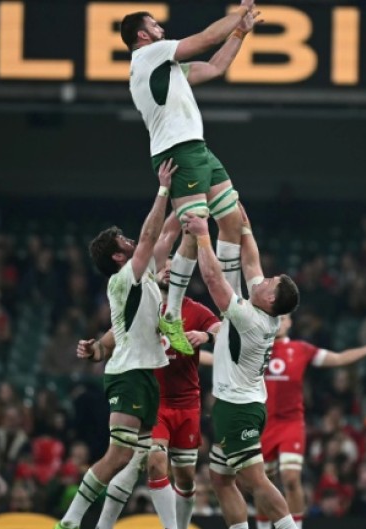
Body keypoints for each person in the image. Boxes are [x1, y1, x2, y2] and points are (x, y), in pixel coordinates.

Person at [121, 4, 262, 355]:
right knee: (194, 228)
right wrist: (238, 13)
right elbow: (203, 41)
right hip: (177, 151)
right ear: (142, 35)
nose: (160, 27)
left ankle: (232, 305)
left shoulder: (164, 67)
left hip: (197, 149)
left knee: (232, 220)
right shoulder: (148, 55)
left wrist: (240, 32)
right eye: (154, 24)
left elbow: (215, 66)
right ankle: (171, 312)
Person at [54, 160, 179, 529]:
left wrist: (188, 197)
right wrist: (163, 190)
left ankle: (101, 525)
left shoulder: (141, 280)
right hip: (129, 374)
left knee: (139, 457)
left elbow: (166, 232)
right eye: (124, 240)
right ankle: (71, 519)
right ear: (118, 257)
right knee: (119, 454)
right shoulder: (124, 277)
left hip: (143, 370)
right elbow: (150, 236)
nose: (132, 240)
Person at [182, 205, 300, 529]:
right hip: (240, 405)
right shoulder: (266, 310)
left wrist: (204, 235)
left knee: (255, 481)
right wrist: (245, 229)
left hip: (239, 408)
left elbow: (212, 278)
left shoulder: (250, 318)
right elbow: (251, 262)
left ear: (271, 300)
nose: (263, 281)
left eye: (270, 283)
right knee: (220, 479)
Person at [86, 258, 221, 529]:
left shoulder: (196, 311)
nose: (170, 271)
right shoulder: (144, 308)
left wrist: (207, 337)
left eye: (176, 267)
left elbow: (223, 331)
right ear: (155, 273)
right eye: (164, 267)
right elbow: (112, 338)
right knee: (154, 462)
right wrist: (95, 350)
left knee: (185, 478)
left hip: (186, 404)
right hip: (152, 401)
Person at [254, 314, 366, 529]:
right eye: (275, 318)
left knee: (291, 479)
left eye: (283, 318)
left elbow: (338, 358)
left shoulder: (301, 349)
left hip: (291, 424)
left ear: (291, 322)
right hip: (263, 425)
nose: (279, 322)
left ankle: (296, 526)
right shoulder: (256, 349)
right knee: (264, 484)